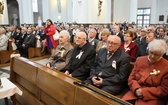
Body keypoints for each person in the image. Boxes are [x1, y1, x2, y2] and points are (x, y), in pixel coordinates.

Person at [122, 39, 168, 105]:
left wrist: (144, 92)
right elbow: (131, 78)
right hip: (134, 93)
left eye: (156, 54)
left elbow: (164, 89)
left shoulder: (166, 66)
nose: (152, 56)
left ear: (162, 54)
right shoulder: (140, 60)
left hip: (153, 97)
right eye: (151, 52)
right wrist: (136, 89)